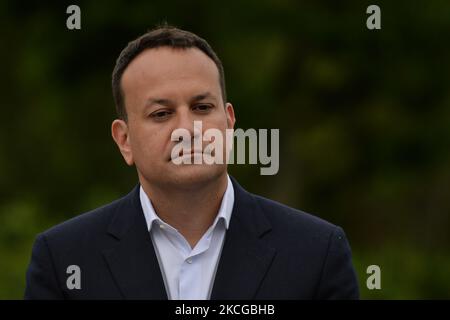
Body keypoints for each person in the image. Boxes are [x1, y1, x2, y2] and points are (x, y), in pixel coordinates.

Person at [24, 26, 359, 299]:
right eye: (161, 114)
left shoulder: (317, 254)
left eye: (201, 107)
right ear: (124, 140)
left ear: (229, 123)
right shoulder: (64, 260)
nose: (187, 129)